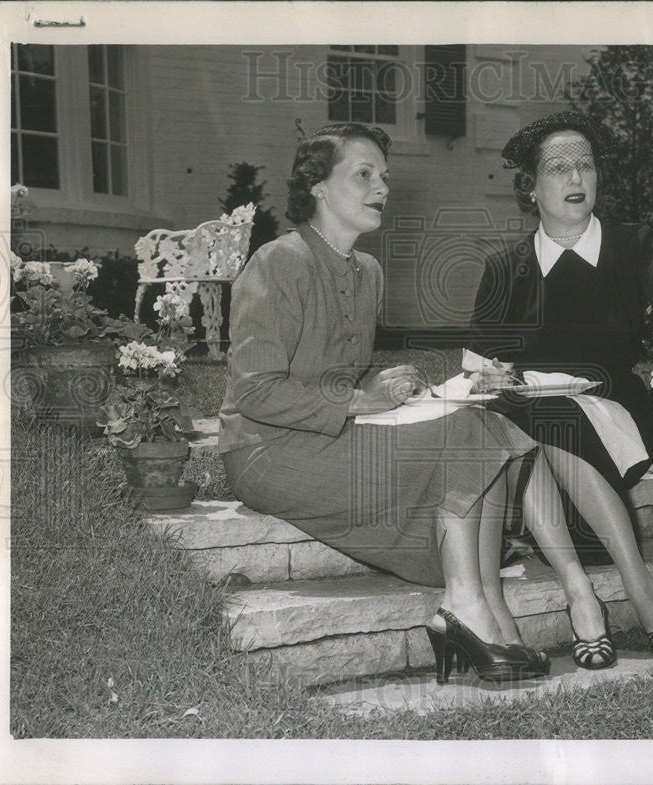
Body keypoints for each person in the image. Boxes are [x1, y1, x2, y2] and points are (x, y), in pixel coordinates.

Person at [219, 122, 556, 684]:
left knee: (481, 421)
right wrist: (358, 399)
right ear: (319, 187)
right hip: (266, 452)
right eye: (364, 174)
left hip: (331, 436)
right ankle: (467, 608)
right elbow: (255, 390)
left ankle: (487, 613)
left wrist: (401, 387)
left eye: (384, 176)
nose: (382, 186)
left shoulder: (367, 271)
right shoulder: (278, 262)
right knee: (467, 435)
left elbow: (339, 366)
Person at [468, 112, 653, 665]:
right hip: (531, 429)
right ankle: (590, 590)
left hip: (614, 416)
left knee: (543, 417)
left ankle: (624, 588)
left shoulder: (634, 246)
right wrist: (489, 375)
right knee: (523, 415)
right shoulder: (504, 268)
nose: (576, 177)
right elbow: (480, 369)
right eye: (558, 169)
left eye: (585, 164)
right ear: (531, 189)